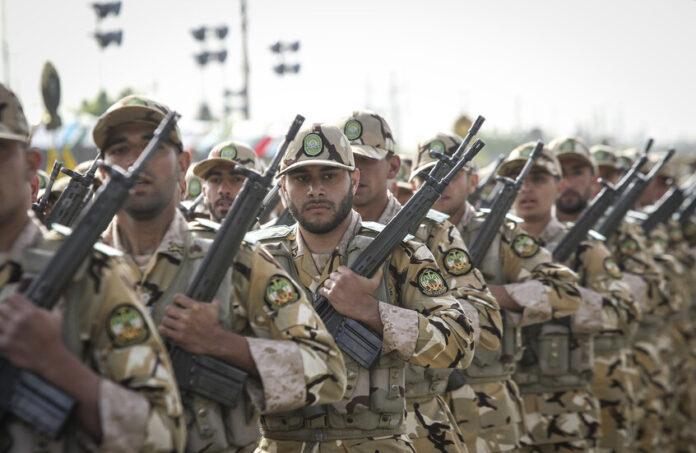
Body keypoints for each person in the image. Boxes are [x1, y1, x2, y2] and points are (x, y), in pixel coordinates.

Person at [94, 95, 347, 453]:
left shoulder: (237, 262)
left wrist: (224, 345)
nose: (137, 161)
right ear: (102, 170)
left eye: (153, 145)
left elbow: (329, 372)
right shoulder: (74, 272)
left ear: (182, 164)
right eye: (120, 149)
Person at [251, 123, 476, 452]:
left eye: (330, 176)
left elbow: (460, 342)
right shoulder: (258, 258)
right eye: (301, 178)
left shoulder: (400, 252)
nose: (315, 190)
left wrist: (372, 312)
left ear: (353, 181)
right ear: (283, 187)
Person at [0, 84, 186, 451]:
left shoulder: (93, 273)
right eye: (120, 149)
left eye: (0, 152)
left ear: (31, 165)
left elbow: (164, 436)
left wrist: (56, 363)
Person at [335, 110, 499, 451]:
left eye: (366, 161)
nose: (355, 172)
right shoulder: (319, 235)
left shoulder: (431, 232)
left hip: (417, 418)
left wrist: (384, 313)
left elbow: (485, 324)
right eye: (347, 163)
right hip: (332, 424)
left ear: (393, 167)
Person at [410, 133, 582, 453]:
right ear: (411, 185)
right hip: (418, 410)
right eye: (427, 175)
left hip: (484, 405)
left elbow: (564, 290)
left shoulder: (502, 232)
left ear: (473, 181)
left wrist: (487, 294)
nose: (439, 183)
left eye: (452, 175)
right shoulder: (401, 238)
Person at [512, 137, 639, 452]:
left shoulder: (585, 247)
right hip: (502, 414)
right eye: (518, 179)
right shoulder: (493, 248)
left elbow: (624, 312)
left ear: (556, 187)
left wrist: (555, 300)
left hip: (563, 411)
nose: (526, 188)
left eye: (538, 178)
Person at [191, 140, 262, 223]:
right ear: (204, 192)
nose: (224, 190)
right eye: (216, 180)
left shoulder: (272, 231)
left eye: (236, 180)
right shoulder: (187, 231)